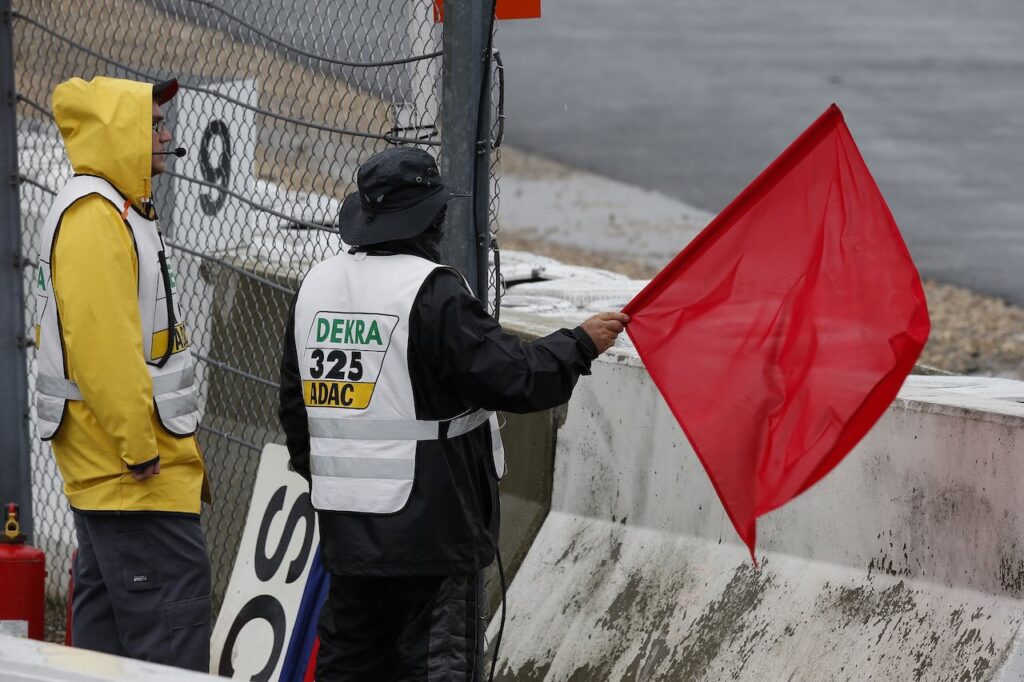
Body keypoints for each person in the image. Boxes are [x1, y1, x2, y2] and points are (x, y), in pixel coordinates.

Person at [278, 146, 628, 680]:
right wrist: (578, 344)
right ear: (433, 218)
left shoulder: (316, 287)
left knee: (350, 661)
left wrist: (337, 482)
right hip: (432, 532)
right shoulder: (430, 292)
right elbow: (513, 375)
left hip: (347, 528)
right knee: (436, 663)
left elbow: (295, 409)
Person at [35, 76, 211, 670]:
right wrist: (138, 449)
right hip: (134, 478)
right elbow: (103, 349)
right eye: (153, 124)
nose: (165, 134)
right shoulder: (96, 217)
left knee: (107, 654)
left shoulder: (115, 211)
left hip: (121, 476)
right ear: (121, 134)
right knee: (169, 641)